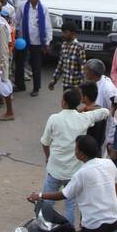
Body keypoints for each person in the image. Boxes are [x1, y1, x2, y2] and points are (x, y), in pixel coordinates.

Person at [29, 134, 117, 232]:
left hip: (95, 226)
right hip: (115, 219)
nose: (75, 150)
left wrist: (39, 195)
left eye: (76, 148)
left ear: (82, 154)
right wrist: (109, 204)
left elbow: (63, 194)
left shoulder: (81, 173)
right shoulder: (108, 163)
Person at [40, 87, 105, 222]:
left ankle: (43, 227)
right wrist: (86, 109)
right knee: (70, 205)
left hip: (55, 168)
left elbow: (45, 142)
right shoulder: (84, 118)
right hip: (74, 172)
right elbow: (105, 112)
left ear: (64, 102)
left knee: (47, 202)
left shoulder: (54, 118)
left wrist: (48, 157)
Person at [15, 0, 52, 93]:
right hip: (23, 40)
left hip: (37, 41)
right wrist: (16, 36)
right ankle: (20, 85)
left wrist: (48, 41)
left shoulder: (43, 9)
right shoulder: (22, 6)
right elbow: (17, 22)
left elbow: (47, 26)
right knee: (20, 63)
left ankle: (36, 88)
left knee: (36, 65)